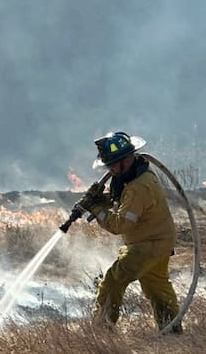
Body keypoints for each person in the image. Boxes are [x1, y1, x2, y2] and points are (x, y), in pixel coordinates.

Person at [77, 131, 182, 332]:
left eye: (113, 165)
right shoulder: (135, 175)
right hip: (157, 241)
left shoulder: (139, 187)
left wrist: (96, 209)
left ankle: (101, 331)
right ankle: (173, 332)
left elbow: (119, 225)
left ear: (127, 160)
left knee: (112, 282)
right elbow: (123, 199)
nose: (110, 170)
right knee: (157, 289)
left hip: (148, 245)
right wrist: (101, 198)